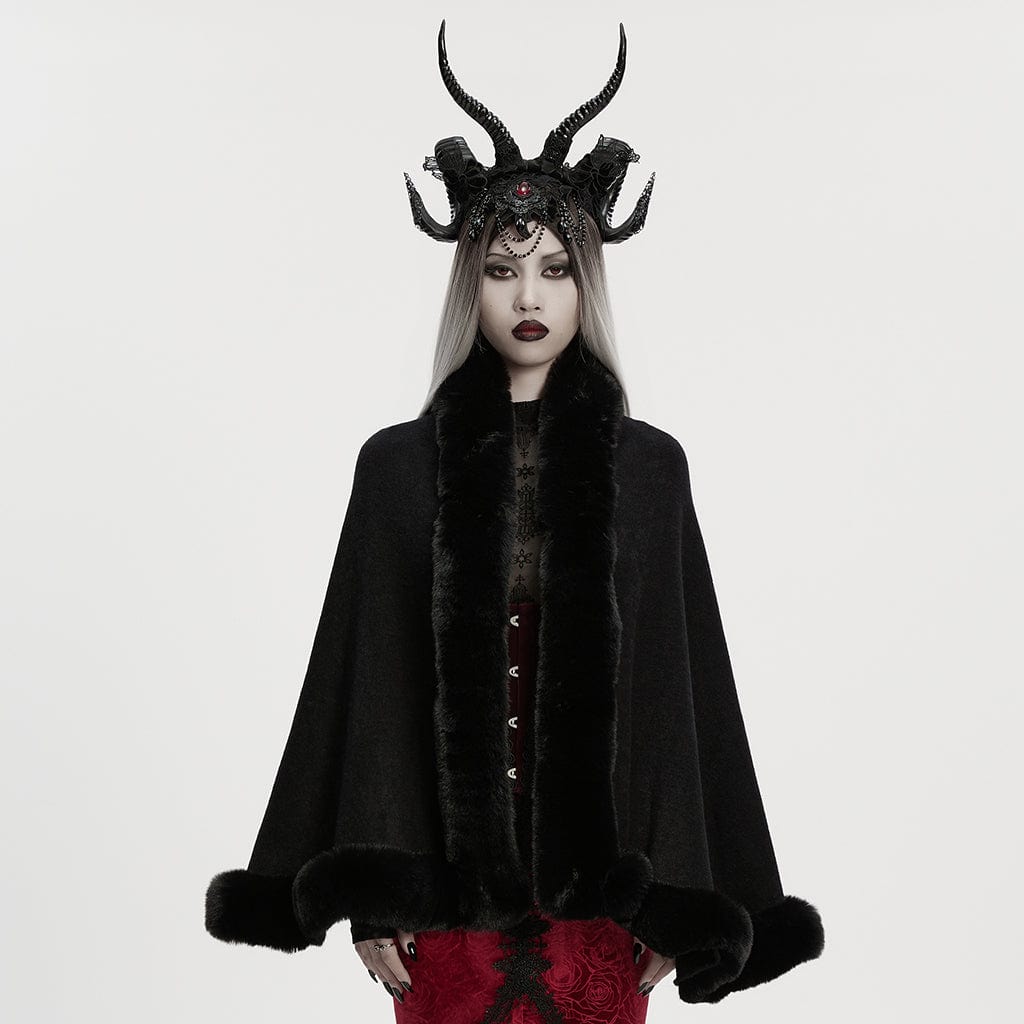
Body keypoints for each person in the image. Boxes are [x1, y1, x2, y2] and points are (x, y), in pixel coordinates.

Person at [204, 20, 825, 1022]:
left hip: (603, 916)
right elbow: (365, 687)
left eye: (556, 269)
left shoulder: (650, 472)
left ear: (588, 282)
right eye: (501, 270)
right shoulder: (396, 470)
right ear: (471, 283)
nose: (528, 295)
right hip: (444, 913)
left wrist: (678, 902)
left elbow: (682, 695)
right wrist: (373, 891)